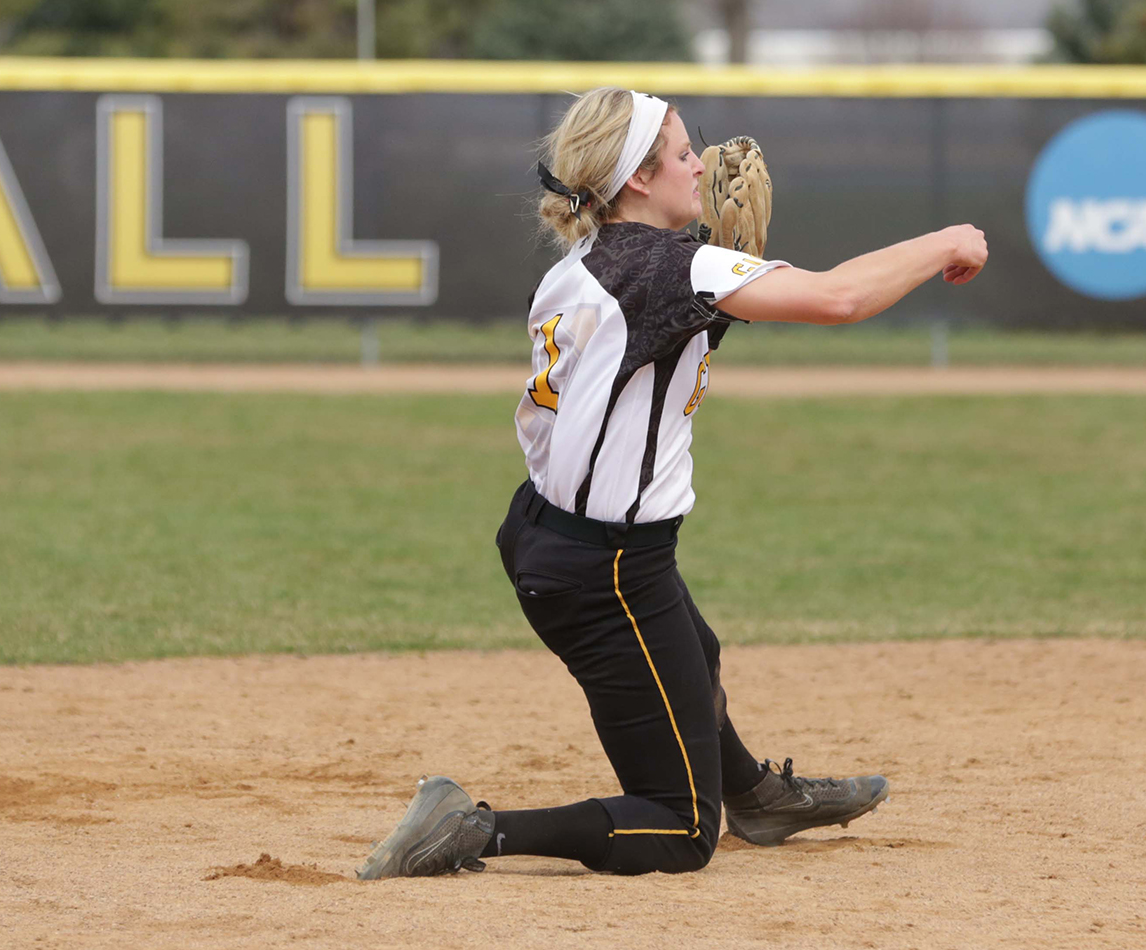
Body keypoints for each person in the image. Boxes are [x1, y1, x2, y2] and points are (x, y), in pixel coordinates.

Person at [358, 87, 987, 879]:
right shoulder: (668, 267)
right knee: (680, 828)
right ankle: (474, 828)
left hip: (553, 536)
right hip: (604, 570)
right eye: (682, 153)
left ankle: (757, 797)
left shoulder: (588, 266)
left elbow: (652, 321)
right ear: (637, 181)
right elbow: (839, 297)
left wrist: (719, 283)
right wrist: (947, 241)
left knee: (696, 648)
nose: (701, 163)